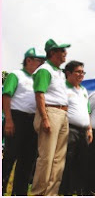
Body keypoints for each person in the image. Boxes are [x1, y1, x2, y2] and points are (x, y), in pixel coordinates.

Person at [2, 48, 45, 195]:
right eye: (40, 61)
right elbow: (6, 96)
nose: (43, 64)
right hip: (16, 118)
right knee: (10, 156)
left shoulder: (39, 80)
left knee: (27, 160)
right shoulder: (16, 75)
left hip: (32, 121)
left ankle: (19, 193)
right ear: (29, 60)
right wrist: (8, 120)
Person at [31, 39, 71, 195]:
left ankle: (51, 193)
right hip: (50, 112)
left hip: (62, 114)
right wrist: (45, 118)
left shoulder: (58, 72)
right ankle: (38, 193)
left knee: (58, 159)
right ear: (53, 53)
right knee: (46, 158)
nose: (65, 53)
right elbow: (39, 94)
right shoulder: (45, 70)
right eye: (62, 51)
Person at [59, 61, 93, 195]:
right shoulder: (62, 88)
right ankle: (65, 191)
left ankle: (80, 191)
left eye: (82, 72)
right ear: (68, 73)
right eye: (78, 72)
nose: (81, 75)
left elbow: (87, 111)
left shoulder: (83, 90)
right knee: (68, 159)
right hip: (68, 128)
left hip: (83, 130)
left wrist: (89, 129)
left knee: (83, 160)